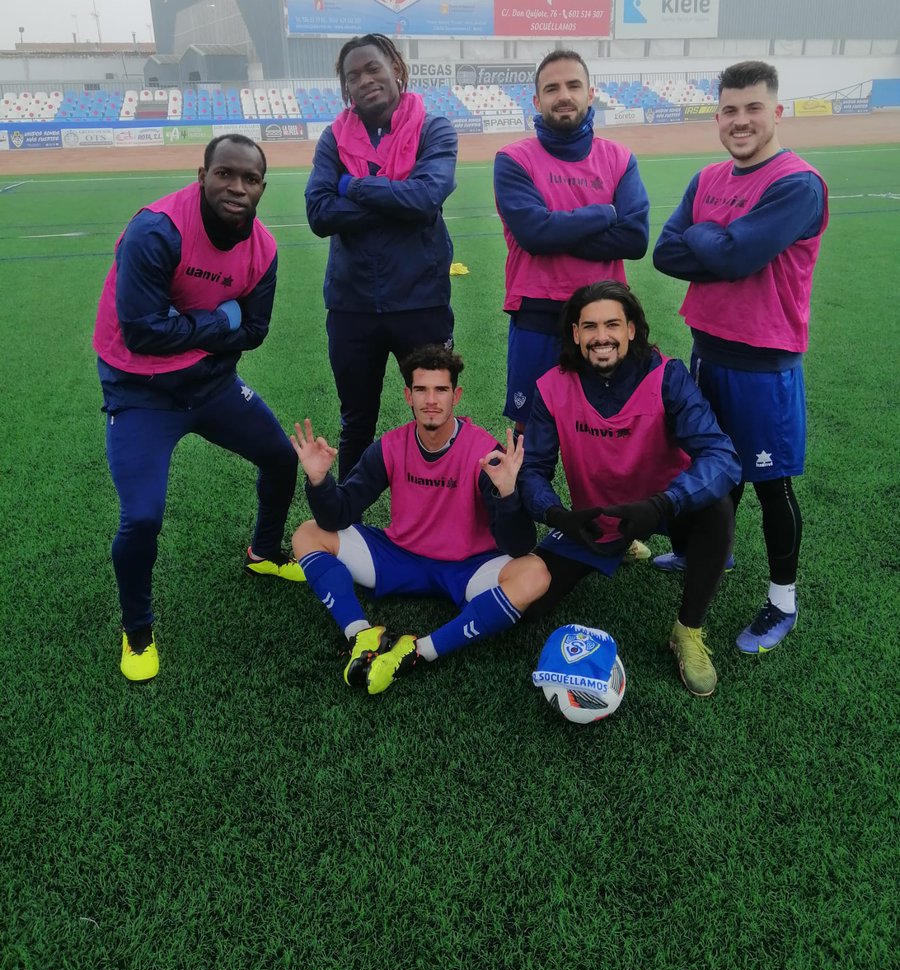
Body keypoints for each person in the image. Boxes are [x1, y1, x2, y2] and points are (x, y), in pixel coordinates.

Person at [93, 134, 301, 682]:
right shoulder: (156, 229)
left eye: (249, 179)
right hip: (140, 394)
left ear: (262, 187)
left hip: (211, 385)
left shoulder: (264, 248)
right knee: (141, 517)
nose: (237, 188)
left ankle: (264, 552)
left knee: (281, 458)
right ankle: (137, 630)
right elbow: (140, 332)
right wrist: (220, 320)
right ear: (202, 173)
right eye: (225, 174)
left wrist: (196, 329)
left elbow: (254, 331)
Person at [653, 61, 828, 654]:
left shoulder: (796, 183)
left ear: (776, 112)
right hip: (707, 348)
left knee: (770, 485)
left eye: (753, 108)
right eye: (729, 109)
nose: (740, 120)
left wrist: (716, 241)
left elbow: (729, 256)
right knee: (710, 469)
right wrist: (722, 242)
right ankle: (708, 553)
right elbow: (665, 252)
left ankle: (783, 602)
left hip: (765, 362)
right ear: (717, 115)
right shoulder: (707, 177)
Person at [519, 281, 740, 696]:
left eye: (612, 325)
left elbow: (722, 456)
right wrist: (555, 514)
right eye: (589, 326)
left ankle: (687, 630)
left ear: (632, 329)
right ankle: (624, 544)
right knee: (528, 608)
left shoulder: (667, 376)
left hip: (665, 509)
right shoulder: (552, 386)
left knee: (718, 508)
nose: (601, 336)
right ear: (575, 334)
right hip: (596, 520)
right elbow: (532, 470)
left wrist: (663, 503)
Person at [290, 345, 551, 695]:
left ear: (455, 395)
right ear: (408, 396)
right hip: (398, 557)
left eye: (441, 389)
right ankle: (360, 633)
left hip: (465, 567)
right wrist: (320, 482)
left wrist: (507, 495)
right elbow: (340, 514)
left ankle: (417, 650)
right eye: (421, 390)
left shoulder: (483, 452)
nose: (431, 399)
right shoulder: (390, 446)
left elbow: (519, 545)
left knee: (535, 573)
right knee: (308, 534)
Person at [305, 34, 458, 480]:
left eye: (372, 68)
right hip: (352, 307)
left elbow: (426, 198)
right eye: (352, 76)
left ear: (396, 67)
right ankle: (348, 521)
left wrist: (352, 187)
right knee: (357, 423)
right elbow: (318, 213)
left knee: (434, 415)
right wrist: (396, 197)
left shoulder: (434, 128)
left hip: (422, 301)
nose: (364, 80)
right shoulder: (334, 139)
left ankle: (440, 511)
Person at [493, 49, 650, 433]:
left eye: (573, 85)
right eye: (552, 88)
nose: (563, 95)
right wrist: (606, 213)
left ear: (590, 92)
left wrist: (554, 233)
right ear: (536, 100)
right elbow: (533, 233)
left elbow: (635, 239)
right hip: (537, 314)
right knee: (529, 434)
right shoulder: (513, 159)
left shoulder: (619, 158)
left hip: (604, 318)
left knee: (610, 429)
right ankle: (526, 496)